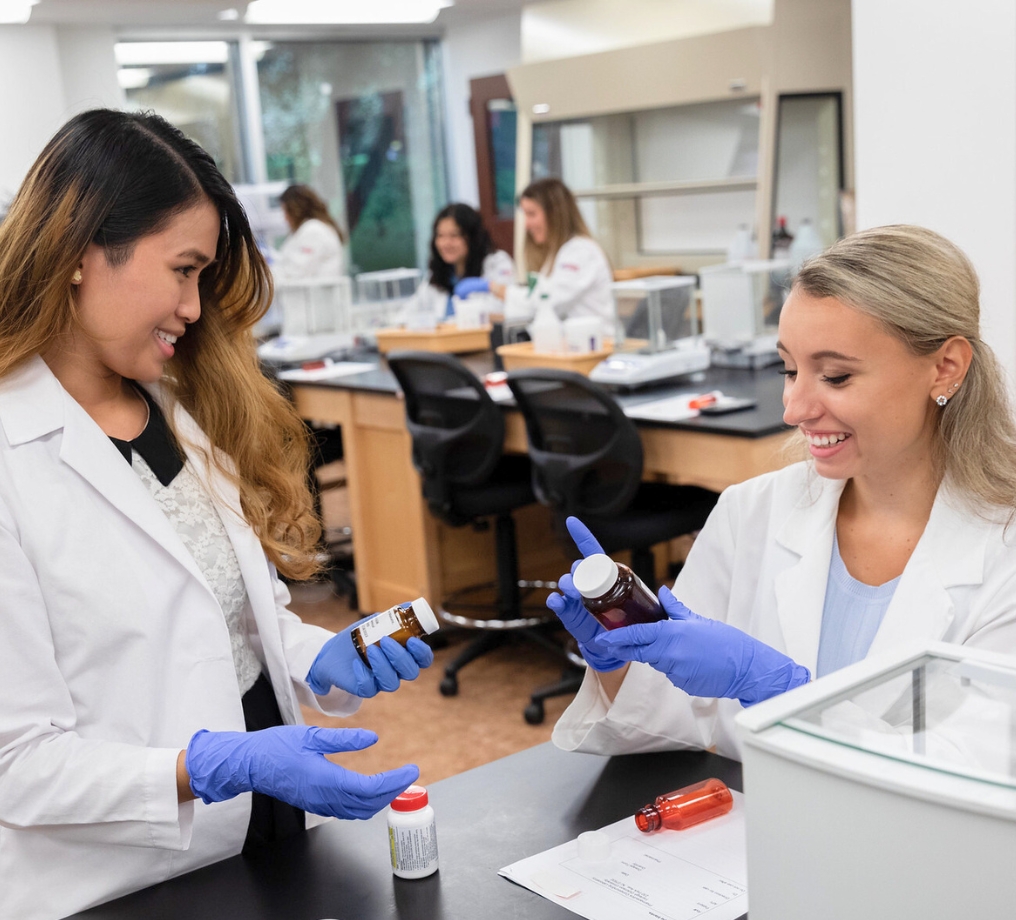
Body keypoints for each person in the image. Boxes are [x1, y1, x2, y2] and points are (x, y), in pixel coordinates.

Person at [0, 109, 434, 920]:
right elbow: (16, 766)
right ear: (85, 252)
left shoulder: (179, 407)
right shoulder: (11, 455)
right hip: (114, 894)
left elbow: (245, 620)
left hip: (263, 831)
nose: (197, 307)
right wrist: (201, 766)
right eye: (184, 270)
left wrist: (327, 660)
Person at [547, 225, 1016, 759]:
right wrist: (622, 655)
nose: (793, 409)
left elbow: (978, 775)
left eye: (835, 376)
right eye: (789, 369)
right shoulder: (750, 513)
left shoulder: (1004, 551)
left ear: (945, 368)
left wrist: (777, 687)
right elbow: (681, 721)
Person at [519, 177, 614, 328]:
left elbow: (548, 301)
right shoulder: (557, 253)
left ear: (554, 213)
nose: (527, 224)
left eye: (532, 214)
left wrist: (499, 290)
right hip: (572, 344)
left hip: (595, 345)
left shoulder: (580, 251)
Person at [401, 203, 515, 321]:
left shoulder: (496, 263)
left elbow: (506, 308)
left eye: (454, 235)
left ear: (472, 237)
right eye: (440, 236)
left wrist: (485, 288)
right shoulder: (438, 275)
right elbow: (408, 313)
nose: (446, 243)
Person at [275, 184, 346, 280]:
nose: (285, 218)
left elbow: (294, 272)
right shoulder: (312, 228)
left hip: (315, 294)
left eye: (285, 211)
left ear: (295, 209)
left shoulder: (314, 230)